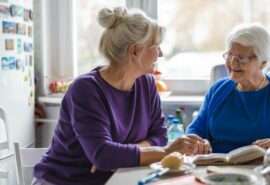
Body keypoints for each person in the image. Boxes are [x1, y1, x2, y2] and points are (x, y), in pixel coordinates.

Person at [32, 7, 203, 185]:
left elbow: (159, 135)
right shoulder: (85, 90)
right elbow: (104, 156)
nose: (160, 53)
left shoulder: (147, 84)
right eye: (155, 46)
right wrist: (166, 152)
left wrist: (119, 156)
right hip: (66, 181)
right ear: (135, 51)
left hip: (114, 177)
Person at [186, 24, 270, 154]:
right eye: (230, 55)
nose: (233, 63)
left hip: (262, 174)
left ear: (262, 63)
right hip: (215, 170)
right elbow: (195, 130)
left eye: (242, 58)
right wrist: (199, 142)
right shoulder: (218, 90)